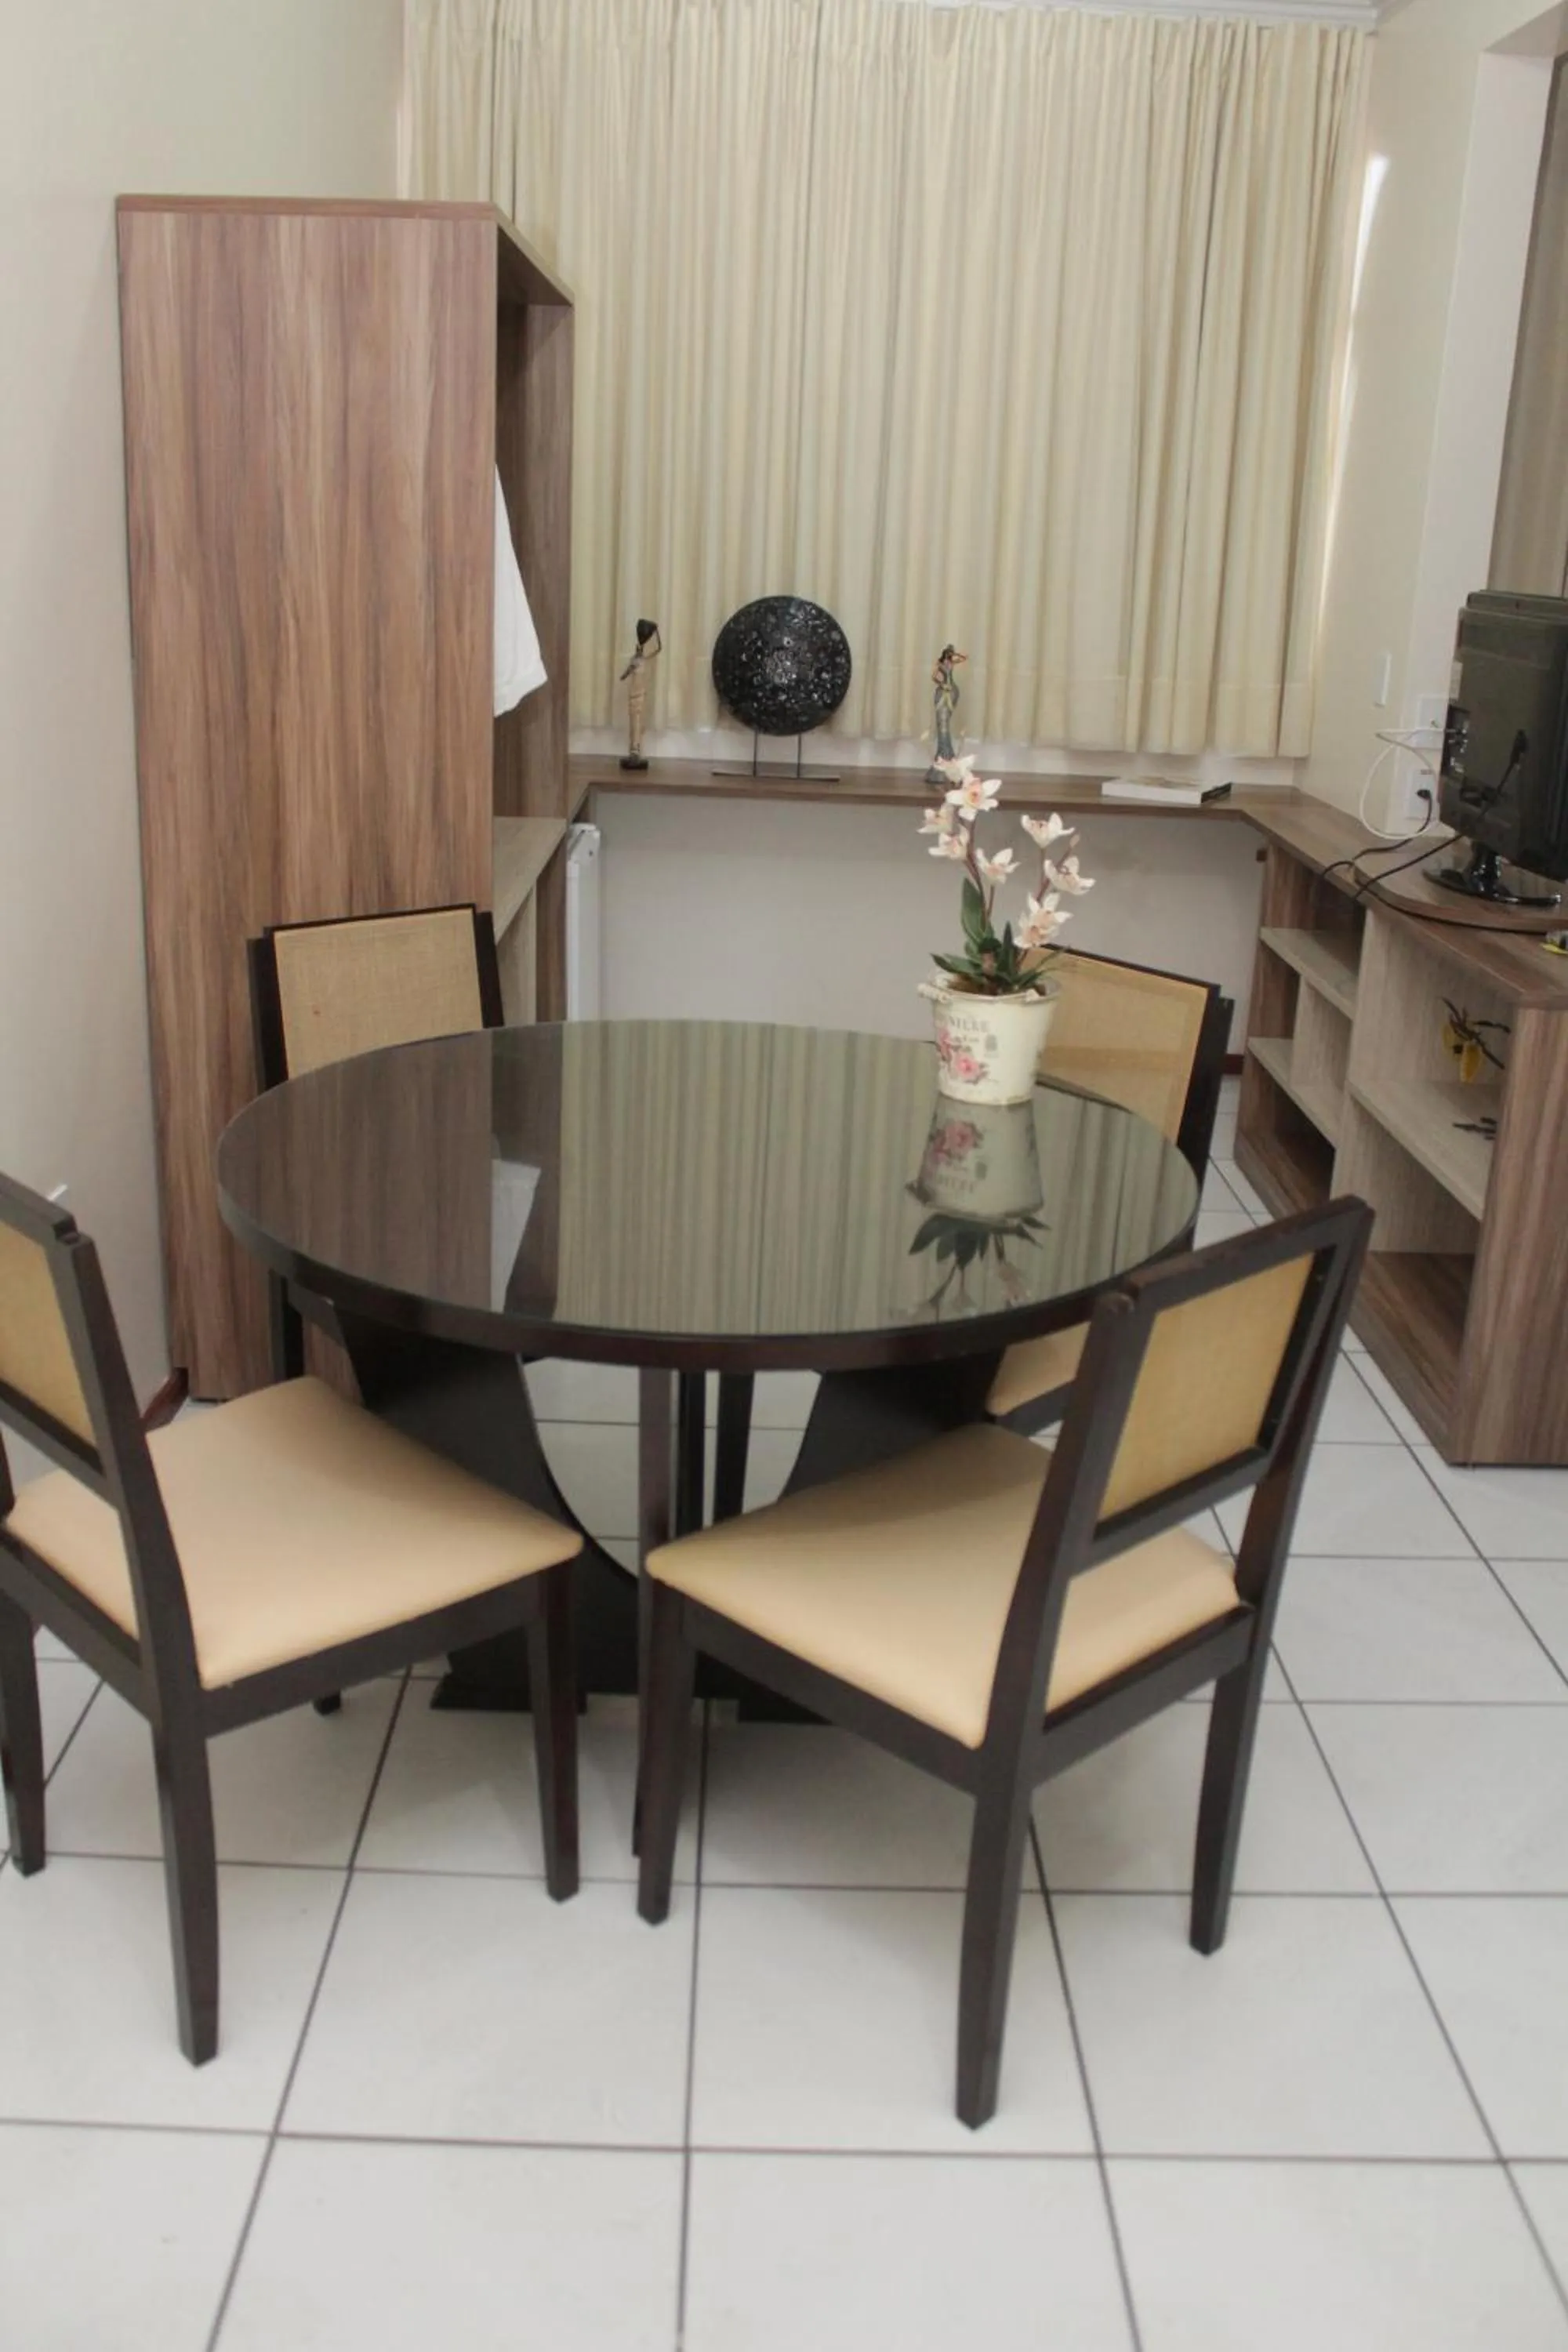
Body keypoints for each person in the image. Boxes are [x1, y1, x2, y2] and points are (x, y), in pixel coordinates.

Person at [620, 619, 662, 769]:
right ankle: (634, 750)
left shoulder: (644, 660)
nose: (639, 652)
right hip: (634, 694)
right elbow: (627, 672)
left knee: (638, 722)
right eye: (637, 650)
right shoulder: (635, 661)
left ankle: (636, 750)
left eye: (640, 650)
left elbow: (659, 649)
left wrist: (656, 632)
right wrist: (624, 676)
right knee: (634, 722)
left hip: (640, 694)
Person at [927, 642, 967, 781]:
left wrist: (956, 654)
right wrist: (941, 684)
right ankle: (944, 755)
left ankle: (947, 758)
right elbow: (933, 677)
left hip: (952, 690)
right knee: (942, 722)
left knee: (946, 721)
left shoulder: (952, 662)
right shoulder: (940, 664)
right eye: (949, 652)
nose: (951, 655)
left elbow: (964, 658)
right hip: (944, 690)